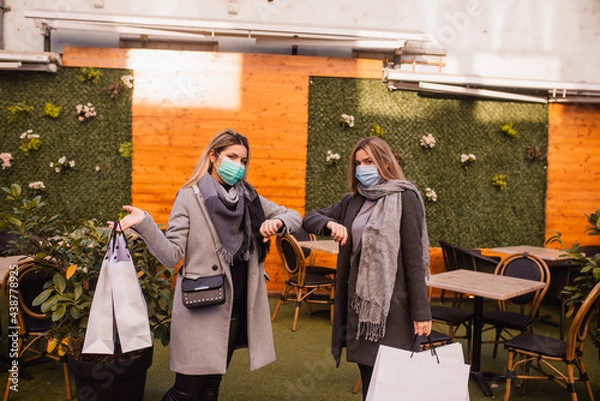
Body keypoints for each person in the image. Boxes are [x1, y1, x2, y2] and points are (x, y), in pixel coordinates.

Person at [112, 129, 302, 401]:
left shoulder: (248, 196)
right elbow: (171, 254)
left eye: (243, 160)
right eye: (231, 157)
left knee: (211, 388)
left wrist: (280, 222)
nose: (238, 165)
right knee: (185, 391)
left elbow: (294, 215)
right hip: (201, 304)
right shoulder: (190, 196)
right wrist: (145, 222)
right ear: (214, 156)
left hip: (235, 306)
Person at [302, 136, 432, 400]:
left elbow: (413, 260)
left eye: (369, 161)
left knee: (392, 387)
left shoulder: (406, 197)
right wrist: (330, 225)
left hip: (394, 307)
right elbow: (310, 217)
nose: (363, 168)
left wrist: (422, 312)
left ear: (384, 161)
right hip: (360, 306)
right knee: (370, 381)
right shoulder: (353, 200)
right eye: (358, 163)